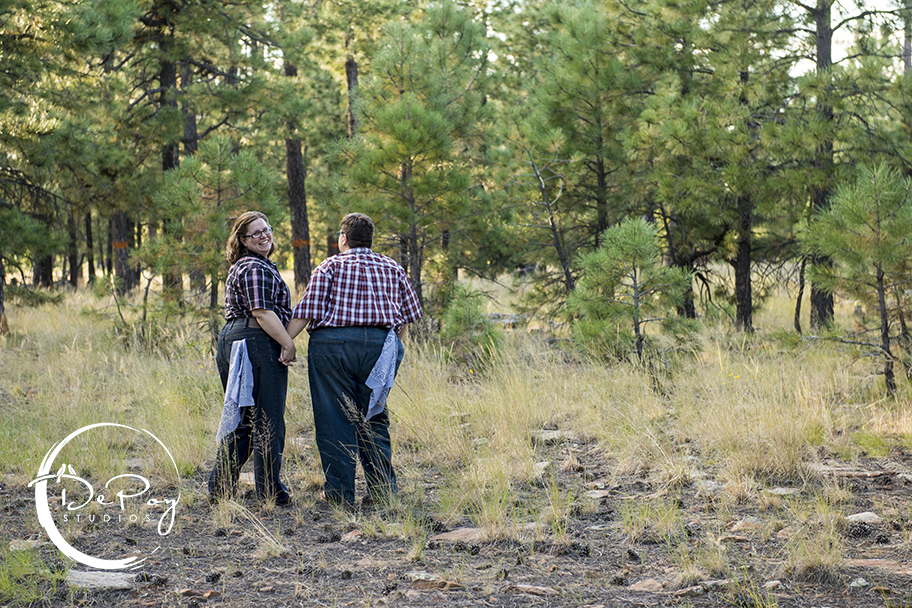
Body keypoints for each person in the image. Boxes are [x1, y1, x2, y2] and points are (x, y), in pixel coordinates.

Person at [288, 213, 422, 507]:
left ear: (343, 239)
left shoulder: (331, 265)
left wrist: (286, 344)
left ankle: (339, 494)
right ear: (370, 239)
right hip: (380, 345)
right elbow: (408, 316)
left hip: (333, 346)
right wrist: (388, 345)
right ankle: (382, 492)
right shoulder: (392, 267)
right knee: (374, 415)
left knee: (334, 417)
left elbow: (306, 310)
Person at [209, 211, 295, 505]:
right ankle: (270, 491)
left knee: (243, 419)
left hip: (235, 339)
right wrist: (288, 344)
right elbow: (261, 312)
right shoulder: (254, 267)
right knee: (268, 418)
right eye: (255, 233)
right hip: (255, 341)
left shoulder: (246, 266)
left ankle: (220, 487)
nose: (263, 236)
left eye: (266, 230)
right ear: (242, 240)